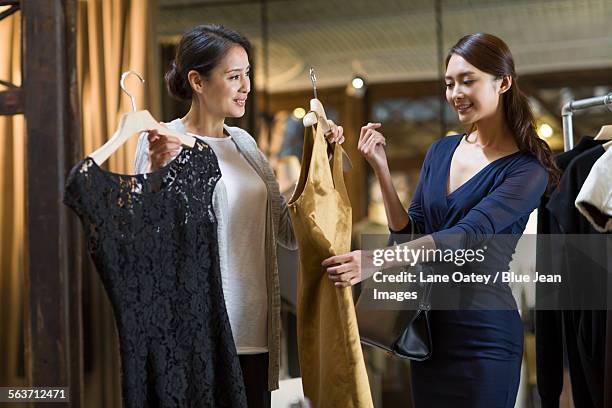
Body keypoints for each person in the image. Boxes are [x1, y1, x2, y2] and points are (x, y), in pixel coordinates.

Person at [322, 32, 560, 407]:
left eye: (468, 80)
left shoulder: (527, 170)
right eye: (449, 83)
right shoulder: (441, 150)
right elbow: (409, 230)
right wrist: (381, 170)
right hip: (429, 333)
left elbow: (468, 234)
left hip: (484, 337)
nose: (455, 93)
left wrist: (372, 261)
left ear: (503, 82)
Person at [133, 24, 345, 408]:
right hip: (198, 335)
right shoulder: (162, 141)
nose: (245, 85)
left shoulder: (245, 143)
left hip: (257, 334)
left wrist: (322, 164)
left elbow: (287, 231)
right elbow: (146, 244)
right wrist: (156, 178)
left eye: (247, 73)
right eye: (234, 76)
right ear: (197, 80)